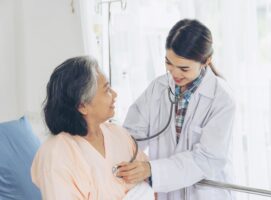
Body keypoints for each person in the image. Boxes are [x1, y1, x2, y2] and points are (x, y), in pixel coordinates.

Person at [117, 19, 236, 200]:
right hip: (168, 193)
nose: (174, 73)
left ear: (206, 61)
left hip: (205, 194)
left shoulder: (221, 98)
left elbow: (207, 159)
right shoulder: (158, 88)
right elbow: (133, 135)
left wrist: (152, 170)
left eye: (184, 68)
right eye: (169, 63)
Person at [31, 56, 154, 200]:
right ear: (82, 106)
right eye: (107, 89)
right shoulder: (56, 154)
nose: (115, 95)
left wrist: (148, 170)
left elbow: (149, 176)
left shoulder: (118, 134)